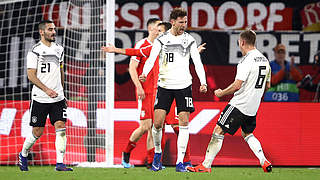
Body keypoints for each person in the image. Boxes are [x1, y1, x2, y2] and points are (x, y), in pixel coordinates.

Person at [102, 22, 206, 168]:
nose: (159, 34)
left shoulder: (174, 43)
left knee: (175, 125)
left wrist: (194, 51)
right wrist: (115, 50)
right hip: (153, 92)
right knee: (150, 126)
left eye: (161, 31)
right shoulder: (150, 45)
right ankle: (147, 158)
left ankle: (183, 161)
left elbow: (180, 57)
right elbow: (135, 56)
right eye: (158, 31)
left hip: (173, 89)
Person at [188, 30, 272, 173]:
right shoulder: (264, 59)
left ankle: (206, 165)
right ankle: (264, 161)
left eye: (239, 42)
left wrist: (222, 92)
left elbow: (237, 85)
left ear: (242, 42)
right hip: (253, 107)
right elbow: (268, 85)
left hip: (239, 104)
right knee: (248, 134)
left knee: (218, 130)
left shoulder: (246, 60)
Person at [139, 8, 207, 172]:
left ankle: (180, 162)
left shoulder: (189, 40)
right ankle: (157, 154)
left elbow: (197, 62)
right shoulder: (162, 39)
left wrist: (203, 82)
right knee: (157, 124)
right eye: (181, 22)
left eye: (186, 22)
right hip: (165, 86)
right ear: (173, 22)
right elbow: (152, 58)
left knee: (183, 123)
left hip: (184, 86)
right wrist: (144, 73)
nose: (184, 25)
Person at [18, 20, 72, 171]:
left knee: (61, 127)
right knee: (37, 131)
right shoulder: (34, 50)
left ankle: (60, 163)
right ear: (42, 32)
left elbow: (60, 71)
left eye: (54, 29)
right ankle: (23, 154)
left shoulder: (59, 49)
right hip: (40, 97)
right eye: (50, 29)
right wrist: (46, 89)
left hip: (58, 98)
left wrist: (62, 91)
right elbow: (31, 75)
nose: (53, 32)